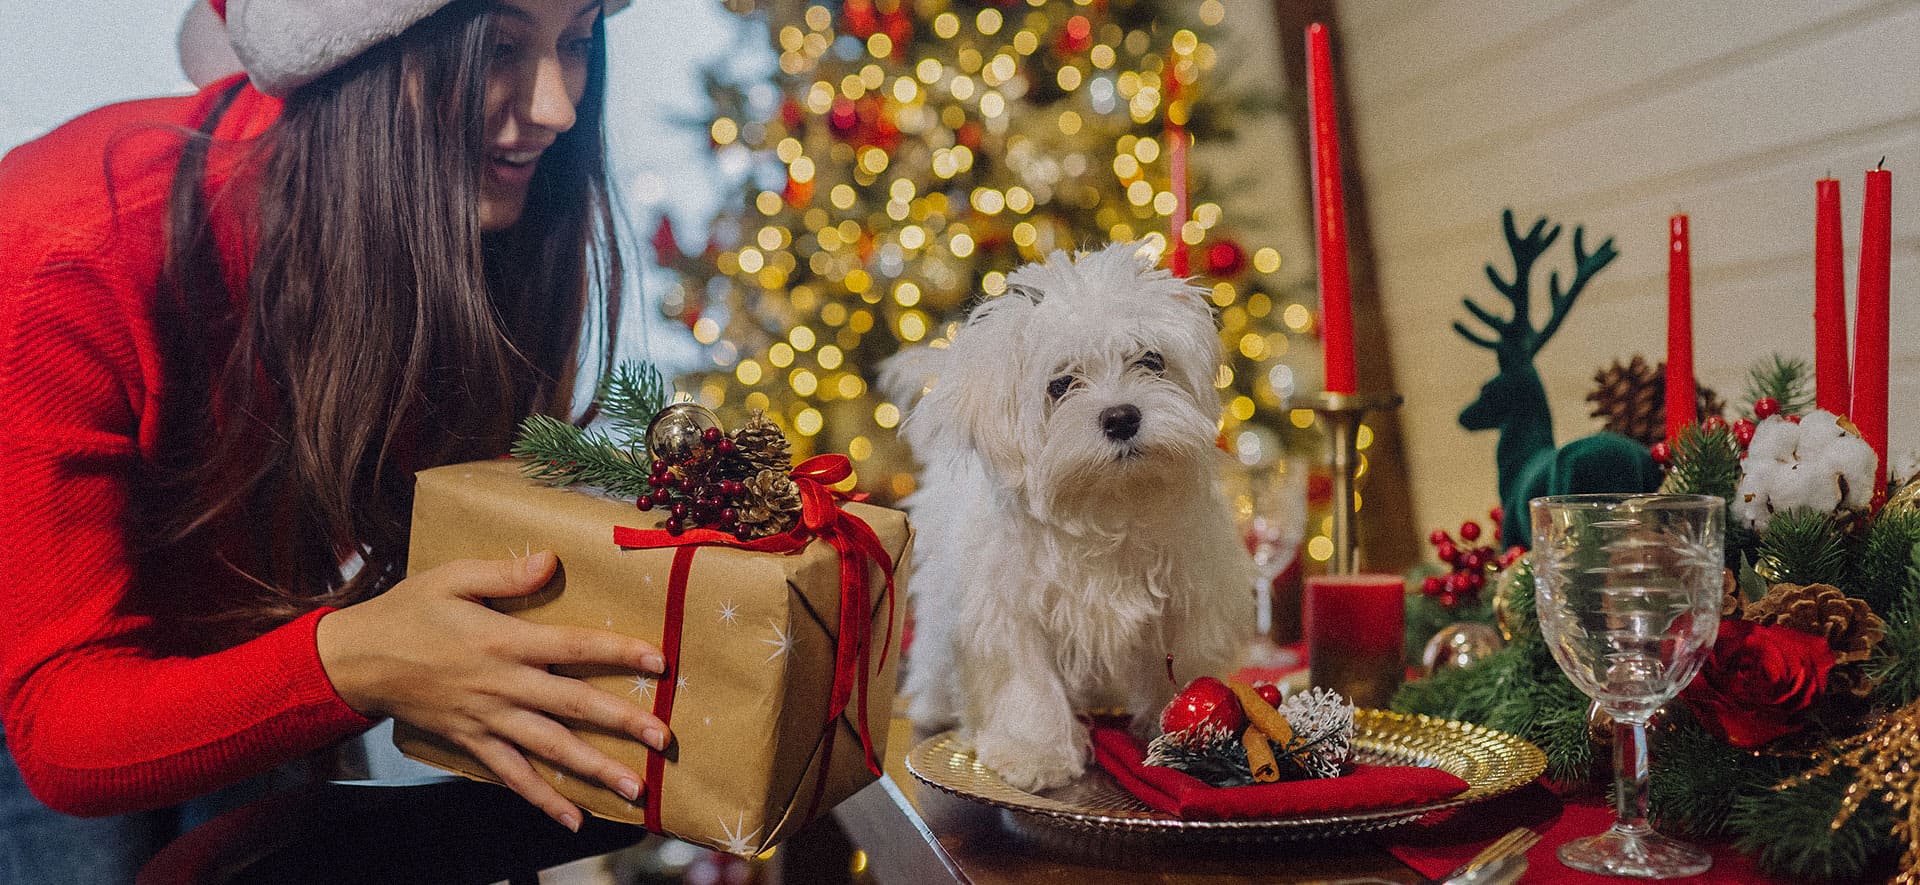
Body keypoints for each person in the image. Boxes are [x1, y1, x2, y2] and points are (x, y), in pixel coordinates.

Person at [0, 0, 668, 879]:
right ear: (353, 57)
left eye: (576, 42)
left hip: (261, 625)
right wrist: (358, 658)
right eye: (502, 47)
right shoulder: (67, 249)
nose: (558, 107)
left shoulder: (483, 221)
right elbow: (60, 730)